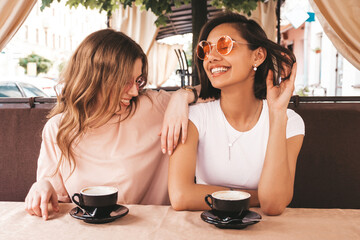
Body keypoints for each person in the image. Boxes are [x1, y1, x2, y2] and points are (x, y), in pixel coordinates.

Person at [25, 29, 198, 220]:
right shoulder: (58, 128)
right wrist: (42, 185)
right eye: (125, 81)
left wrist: (182, 95)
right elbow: (56, 198)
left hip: (151, 229)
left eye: (138, 81)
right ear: (95, 78)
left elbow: (216, 91)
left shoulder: (151, 105)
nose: (134, 91)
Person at [168, 12, 305, 216]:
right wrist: (255, 196)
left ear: (257, 55)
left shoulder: (290, 122)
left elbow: (273, 205)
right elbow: (181, 196)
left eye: (224, 45)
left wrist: (277, 115)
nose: (211, 57)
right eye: (205, 49)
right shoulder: (194, 118)